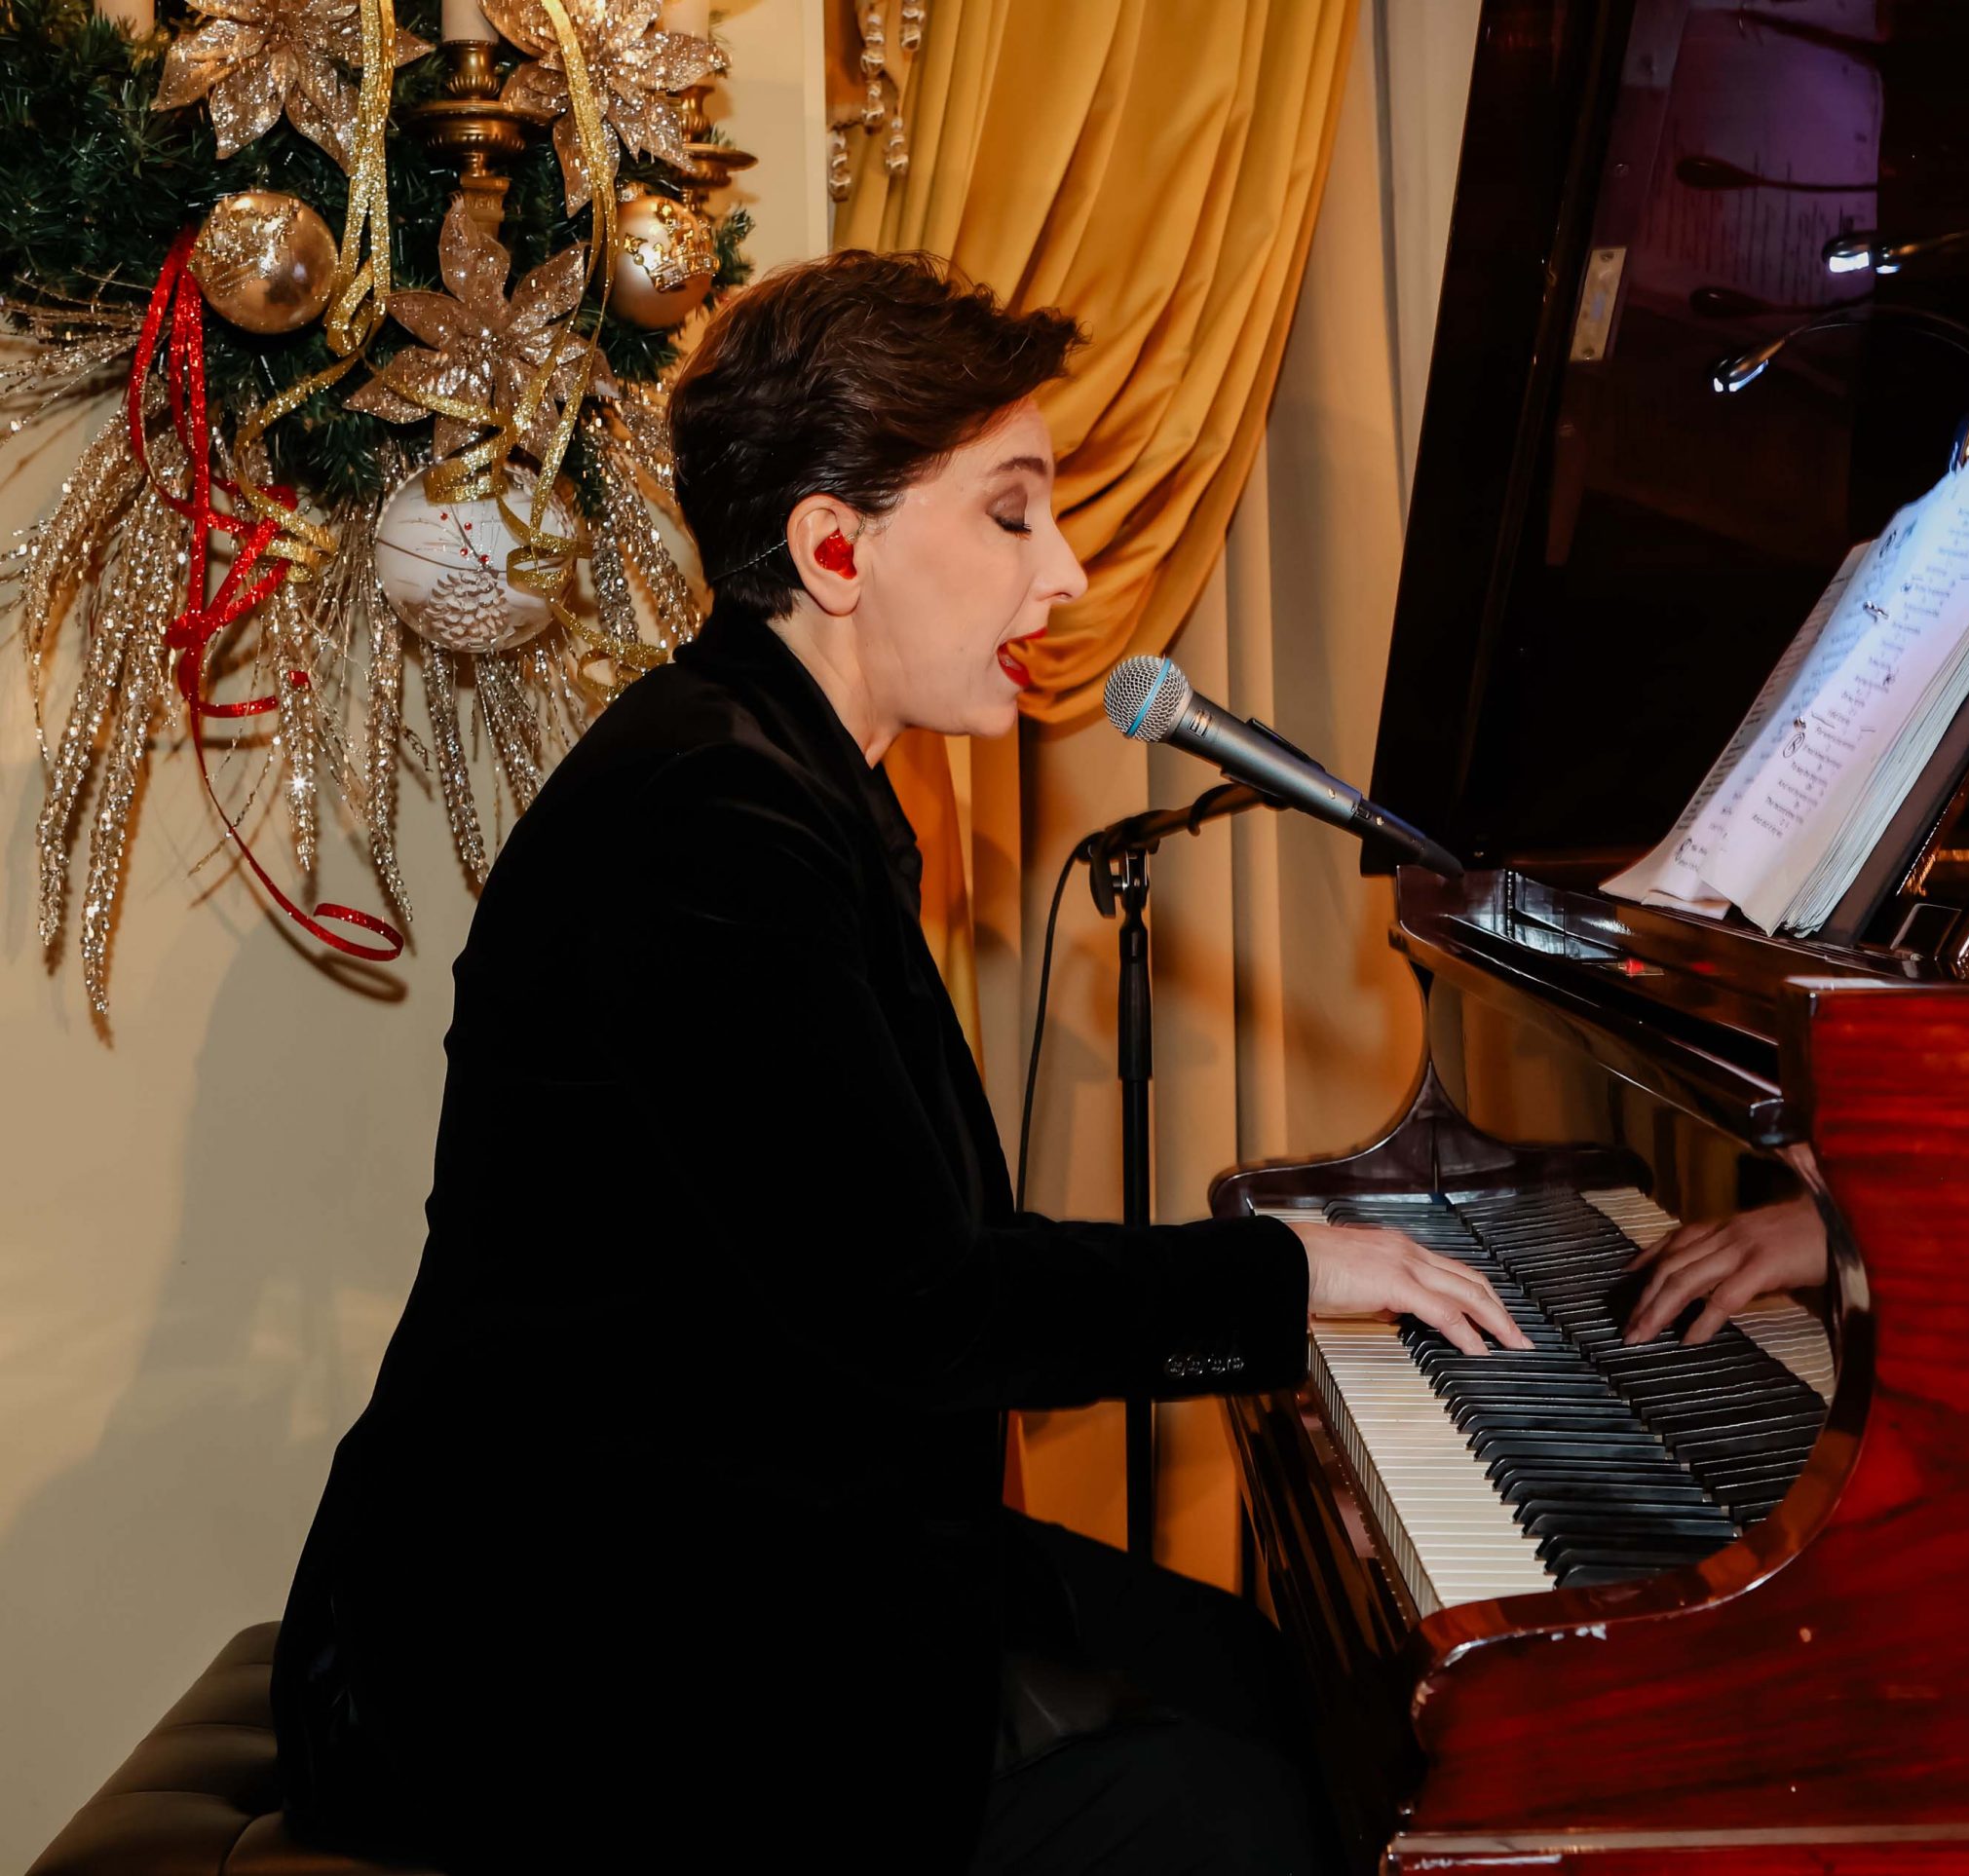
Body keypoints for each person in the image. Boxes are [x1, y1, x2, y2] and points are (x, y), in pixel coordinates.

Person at [268, 250, 1530, 1876]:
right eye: (1013, 515)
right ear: (833, 548)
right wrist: (1290, 1274)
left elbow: (894, 1269)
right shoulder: (708, 822)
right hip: (560, 1648)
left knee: (1296, 1689)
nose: (1065, 574)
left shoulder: (782, 775)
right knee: (1259, 1811)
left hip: (751, 1524)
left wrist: (1283, 1290)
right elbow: (923, 1306)